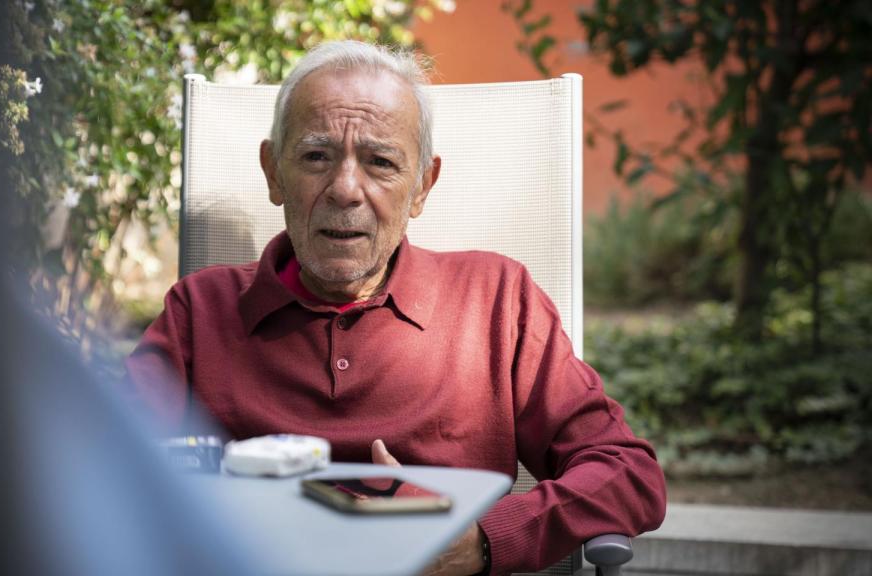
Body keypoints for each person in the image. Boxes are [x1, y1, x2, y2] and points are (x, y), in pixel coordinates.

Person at [126, 40, 666, 575]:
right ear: (274, 172)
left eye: (380, 162)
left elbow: (626, 473)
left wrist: (484, 541)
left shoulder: (498, 300)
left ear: (421, 188)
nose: (345, 189)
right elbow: (94, 467)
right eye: (316, 156)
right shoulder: (200, 311)